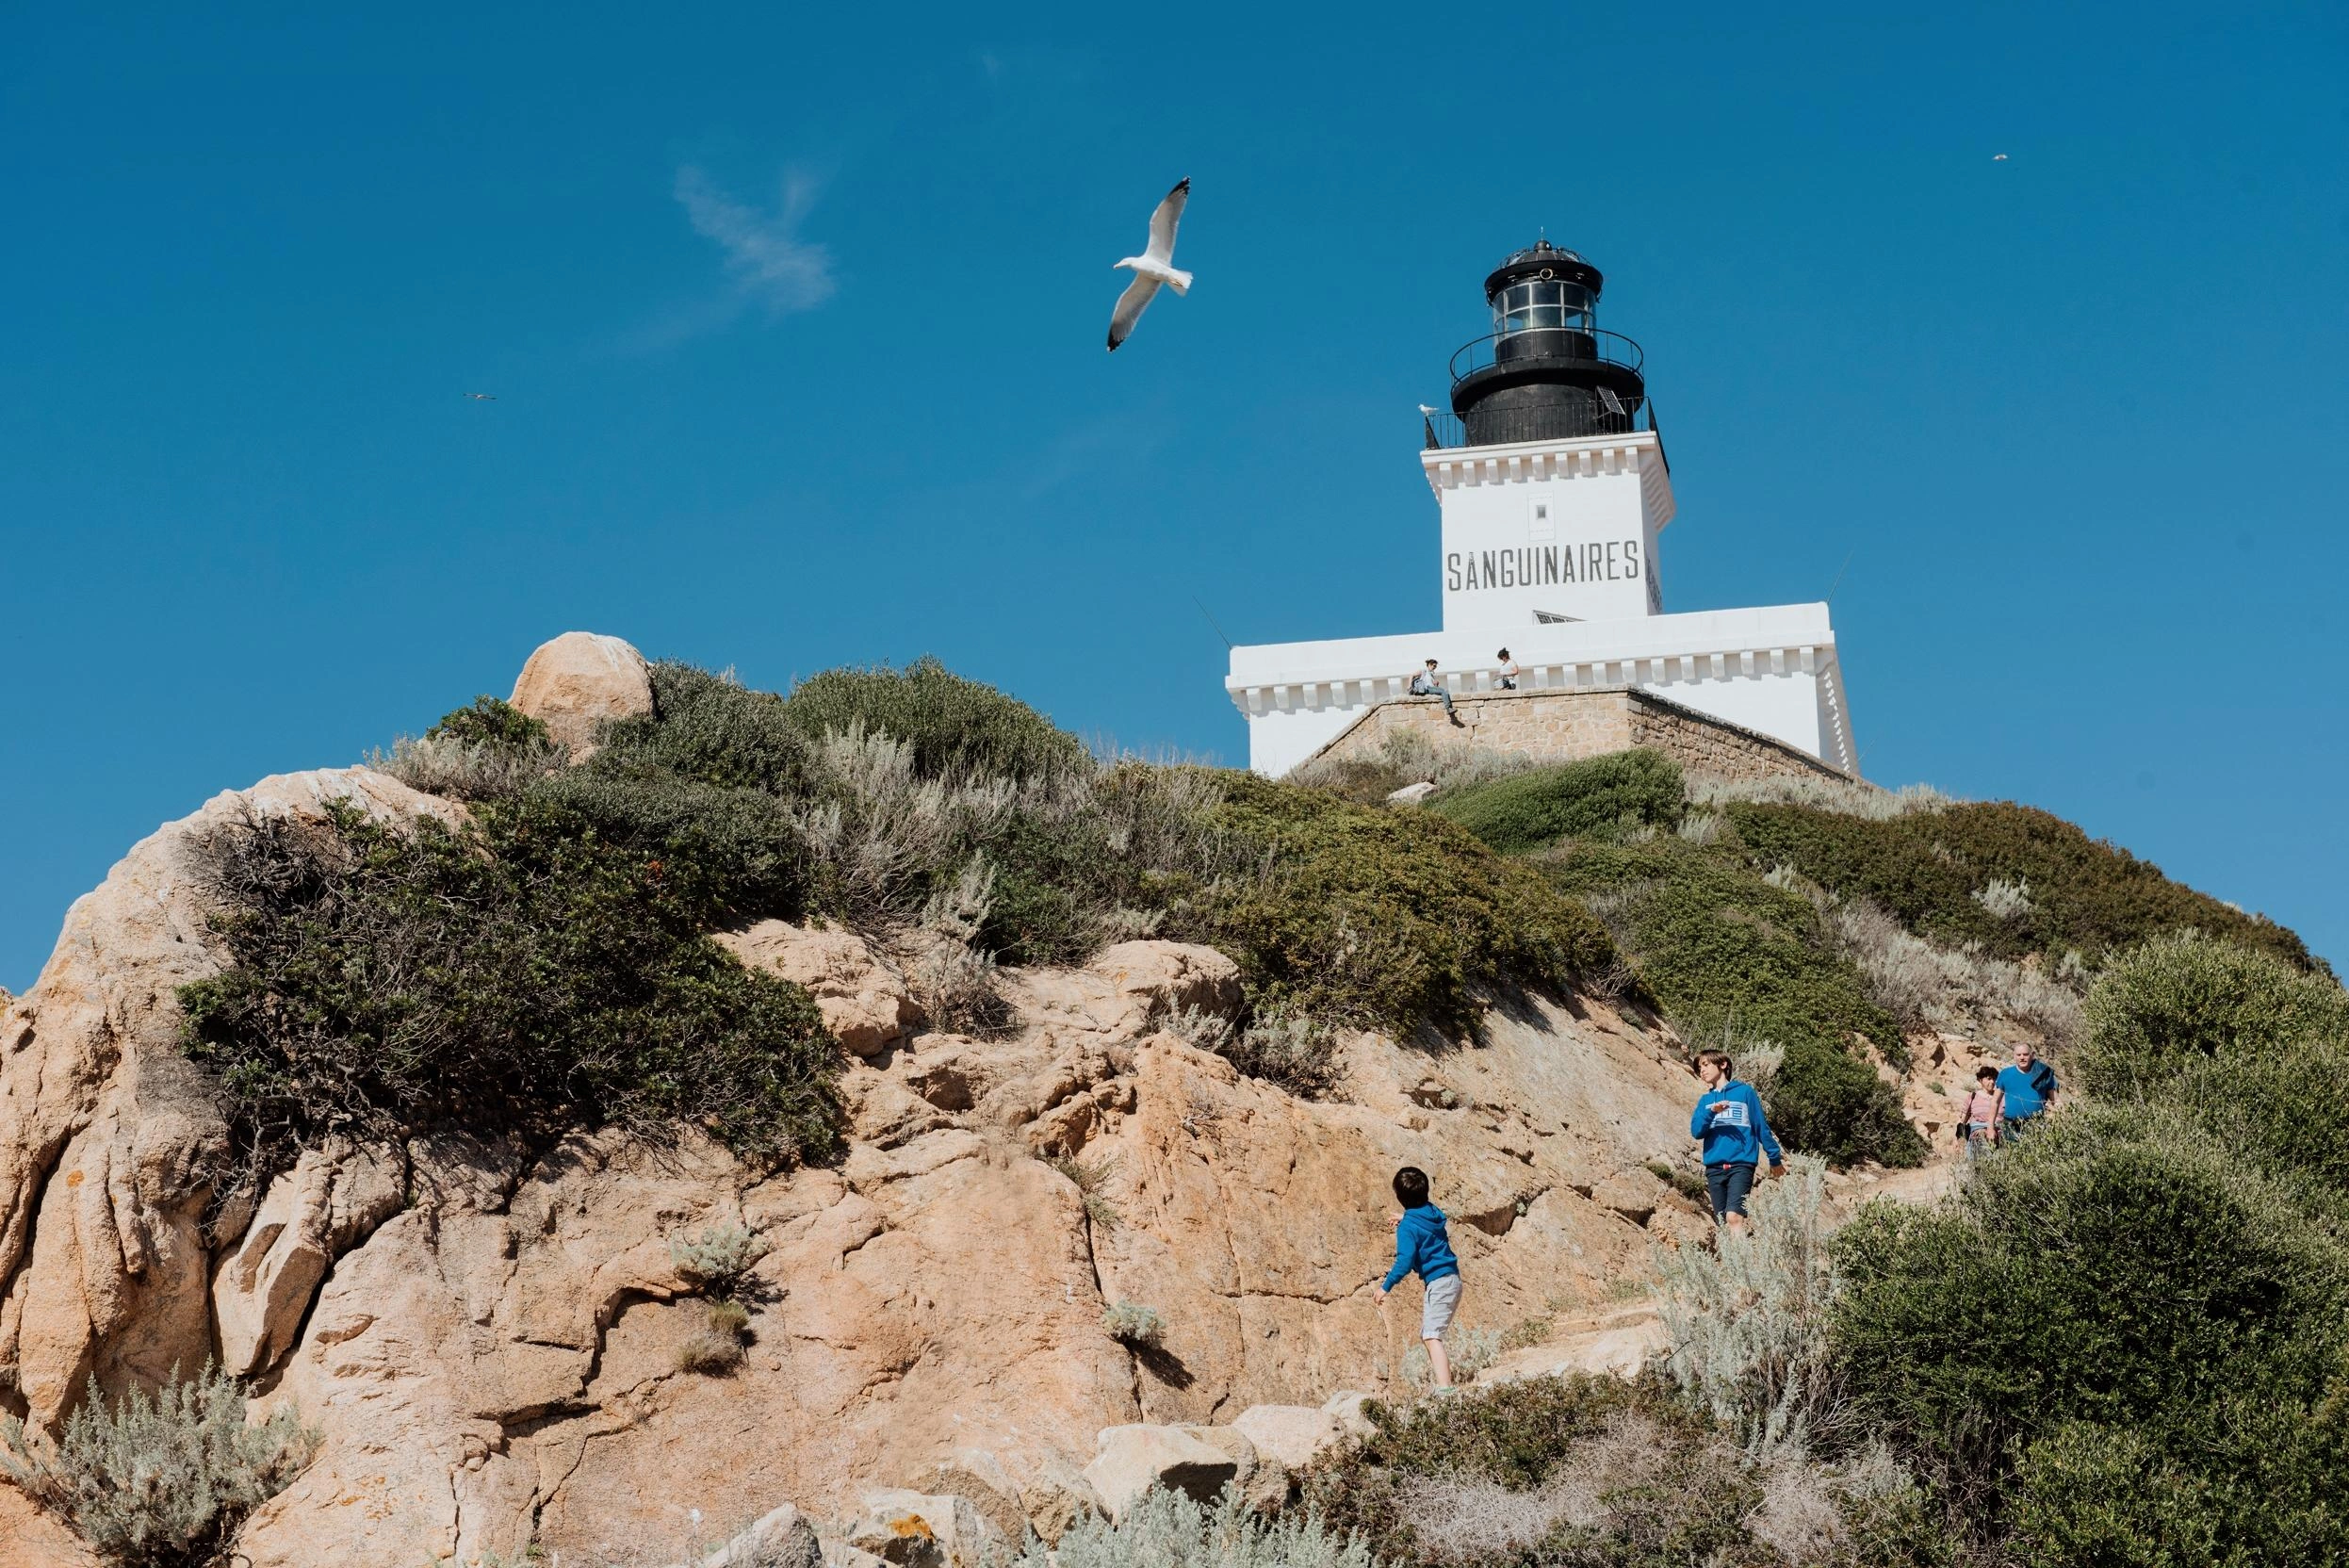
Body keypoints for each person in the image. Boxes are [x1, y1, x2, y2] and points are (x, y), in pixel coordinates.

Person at [1377, 1166, 1462, 1390]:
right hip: (1452, 1278)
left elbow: (1404, 1261)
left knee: (1431, 1336)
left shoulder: (1407, 1228)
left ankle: (1445, 1390)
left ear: (1399, 1196)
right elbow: (1421, 1220)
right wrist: (1406, 1217)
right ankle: (1445, 1385)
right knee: (1430, 1333)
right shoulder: (1433, 1213)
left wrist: (1385, 1287)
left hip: (1438, 1283)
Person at [1688, 1049, 1785, 1237]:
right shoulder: (1705, 1101)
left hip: (1741, 1164)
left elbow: (1760, 1127)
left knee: (1734, 1216)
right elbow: (1697, 1132)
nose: (1702, 1070)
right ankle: (1732, 1264)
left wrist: (1774, 1158)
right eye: (1700, 1068)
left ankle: (1741, 1264)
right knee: (1722, 1223)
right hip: (1714, 1167)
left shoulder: (1744, 1093)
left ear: (1723, 1065)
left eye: (1706, 1065)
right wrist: (1711, 1112)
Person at [1997, 1042, 2058, 1138]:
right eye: (2019, 1055)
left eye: (2025, 1054)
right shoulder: (2005, 1074)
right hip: (2010, 1125)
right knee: (2010, 1152)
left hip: (2035, 1124)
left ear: (2032, 1055)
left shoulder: (2043, 1074)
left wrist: (2066, 1118)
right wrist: (1990, 1127)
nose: (2022, 1057)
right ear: (2014, 1056)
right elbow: (1995, 1102)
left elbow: (2056, 1100)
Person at [1958, 1065, 2004, 1160]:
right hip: (1978, 1133)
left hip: (1998, 1133)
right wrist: (1957, 1138)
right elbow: (1962, 1120)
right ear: (1980, 1080)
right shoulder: (1972, 1096)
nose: (1992, 1082)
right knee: (1981, 1137)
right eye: (1989, 1079)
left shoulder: (2001, 1096)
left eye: (1994, 1079)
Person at [1408, 659, 1461, 724]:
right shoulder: (1423, 671)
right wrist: (1409, 685)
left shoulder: (1431, 674)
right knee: (1444, 691)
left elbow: (1434, 687)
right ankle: (1448, 708)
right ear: (1429, 665)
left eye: (1435, 666)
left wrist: (1436, 684)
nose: (1435, 668)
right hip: (1427, 688)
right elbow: (1411, 675)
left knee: (1444, 691)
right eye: (1434, 666)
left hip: (1431, 688)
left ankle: (1449, 708)